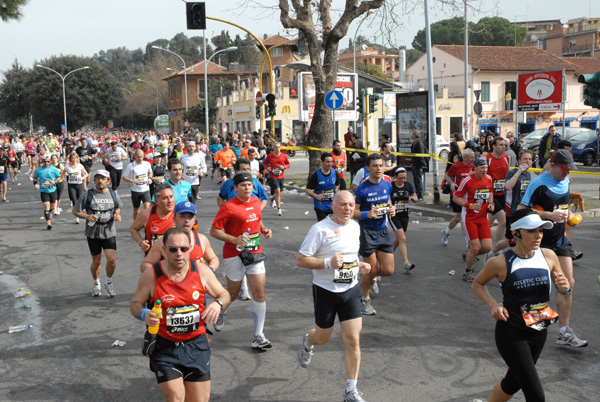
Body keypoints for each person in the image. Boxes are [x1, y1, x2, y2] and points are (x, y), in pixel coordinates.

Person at [472, 208, 570, 402]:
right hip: (512, 333)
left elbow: (563, 288)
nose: (538, 235)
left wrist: (565, 287)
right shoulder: (500, 262)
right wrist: (493, 305)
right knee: (536, 395)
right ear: (516, 233)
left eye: (541, 231)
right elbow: (477, 284)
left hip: (539, 331)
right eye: (531, 231)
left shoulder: (549, 256)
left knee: (513, 382)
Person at [130, 227, 230, 402]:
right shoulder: (152, 274)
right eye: (173, 249)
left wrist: (218, 304)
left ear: (190, 248)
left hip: (196, 345)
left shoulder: (201, 271)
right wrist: (144, 312)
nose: (179, 254)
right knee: (176, 398)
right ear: (164, 250)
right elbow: (135, 304)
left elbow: (224, 294)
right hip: (165, 346)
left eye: (184, 249)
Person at [296, 191, 371, 402]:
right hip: (326, 291)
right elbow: (301, 260)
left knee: (353, 339)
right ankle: (308, 343)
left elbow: (349, 256)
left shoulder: (355, 226)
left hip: (351, 289)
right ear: (333, 207)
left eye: (351, 205)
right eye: (342, 205)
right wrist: (327, 263)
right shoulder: (319, 230)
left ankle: (350, 390)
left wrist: (359, 265)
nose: (347, 209)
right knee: (323, 337)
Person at [518, 149, 588, 348]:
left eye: (569, 170)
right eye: (564, 170)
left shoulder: (566, 180)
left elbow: (562, 205)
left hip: (559, 241)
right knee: (537, 288)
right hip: (538, 242)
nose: (567, 174)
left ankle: (564, 332)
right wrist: (548, 215)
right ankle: (519, 321)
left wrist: (568, 217)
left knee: (567, 283)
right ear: (554, 165)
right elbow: (521, 211)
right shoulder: (537, 183)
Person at [209, 172, 274, 350]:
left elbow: (256, 220)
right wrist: (234, 240)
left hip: (255, 253)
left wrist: (264, 229)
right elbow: (214, 231)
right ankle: (222, 310)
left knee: (259, 293)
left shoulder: (255, 202)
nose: (247, 188)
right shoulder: (228, 207)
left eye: (250, 185)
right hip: (233, 254)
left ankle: (258, 335)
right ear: (235, 188)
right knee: (233, 294)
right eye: (243, 185)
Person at [353, 153, 396, 315]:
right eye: (375, 166)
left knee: (388, 270)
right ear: (368, 168)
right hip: (367, 232)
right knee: (371, 270)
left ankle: (365, 279)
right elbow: (352, 213)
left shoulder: (387, 184)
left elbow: (388, 201)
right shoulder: (362, 188)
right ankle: (365, 300)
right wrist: (366, 214)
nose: (378, 169)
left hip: (383, 230)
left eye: (381, 165)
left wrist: (391, 208)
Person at [72, 169, 123, 297]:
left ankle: (108, 282)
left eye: (103, 178)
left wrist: (117, 214)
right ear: (94, 180)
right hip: (93, 232)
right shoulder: (87, 194)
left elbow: (118, 206)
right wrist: (87, 216)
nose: (100, 181)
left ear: (108, 181)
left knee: (111, 260)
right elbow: (75, 211)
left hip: (109, 230)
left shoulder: (113, 194)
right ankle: (96, 283)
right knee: (97, 261)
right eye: (98, 178)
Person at [140, 201, 219, 274]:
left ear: (194, 220)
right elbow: (145, 265)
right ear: (174, 219)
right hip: (172, 286)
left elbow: (213, 259)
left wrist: (210, 270)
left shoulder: (202, 239)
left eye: (190, 217)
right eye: (182, 216)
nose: (186, 220)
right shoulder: (163, 241)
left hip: (195, 287)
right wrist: (162, 274)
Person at [453, 155, 494, 282]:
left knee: (487, 247)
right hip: (469, 218)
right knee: (475, 247)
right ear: (475, 167)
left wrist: (491, 203)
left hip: (483, 218)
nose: (485, 170)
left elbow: (490, 191)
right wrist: (470, 205)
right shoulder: (467, 180)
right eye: (482, 168)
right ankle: (468, 272)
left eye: (486, 167)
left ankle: (468, 255)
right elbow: (456, 197)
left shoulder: (488, 179)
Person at [487, 150, 534, 258]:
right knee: (509, 240)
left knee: (522, 237)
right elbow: (508, 186)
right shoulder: (512, 173)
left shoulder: (528, 175)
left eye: (530, 159)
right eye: (525, 159)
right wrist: (518, 172)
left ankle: (521, 258)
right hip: (511, 211)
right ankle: (491, 253)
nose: (527, 161)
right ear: (519, 161)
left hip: (523, 211)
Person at [130, 183, 176, 255]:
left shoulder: (180, 213)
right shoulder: (146, 215)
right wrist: (141, 242)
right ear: (157, 201)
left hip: (175, 261)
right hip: (154, 261)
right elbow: (133, 229)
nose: (170, 201)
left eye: (171, 196)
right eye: (165, 198)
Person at [441, 148, 474, 247]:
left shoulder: (474, 167)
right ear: (465, 158)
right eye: (471, 157)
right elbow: (446, 175)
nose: (473, 159)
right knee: (460, 217)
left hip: (469, 196)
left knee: (459, 218)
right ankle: (468, 242)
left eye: (474, 157)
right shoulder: (456, 166)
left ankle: (446, 232)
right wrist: (452, 183)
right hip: (458, 195)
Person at [389, 167, 418, 271]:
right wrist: (390, 206)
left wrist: (414, 198)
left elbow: (415, 197)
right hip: (394, 215)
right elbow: (387, 200)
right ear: (395, 177)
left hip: (404, 215)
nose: (403, 180)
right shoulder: (390, 187)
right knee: (402, 239)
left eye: (404, 178)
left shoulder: (408, 185)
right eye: (400, 178)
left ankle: (386, 255)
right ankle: (406, 263)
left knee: (399, 239)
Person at [486, 137, 510, 251]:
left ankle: (480, 241)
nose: (503, 147)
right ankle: (497, 248)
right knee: (503, 221)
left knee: (489, 222)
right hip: (491, 195)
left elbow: (509, 174)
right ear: (494, 146)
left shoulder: (506, 158)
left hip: (502, 194)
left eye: (504, 145)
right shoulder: (487, 159)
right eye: (500, 145)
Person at [305, 152, 340, 221]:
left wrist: (336, 189)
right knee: (323, 227)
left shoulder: (335, 173)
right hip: (320, 206)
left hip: (332, 206)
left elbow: (338, 184)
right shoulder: (316, 175)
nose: (329, 164)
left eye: (331, 162)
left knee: (332, 226)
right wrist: (316, 196)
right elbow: (307, 189)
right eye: (327, 162)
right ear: (322, 162)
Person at [32, 154, 61, 230]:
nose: (46, 163)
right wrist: (35, 184)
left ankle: (50, 213)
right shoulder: (38, 170)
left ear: (50, 161)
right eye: (45, 161)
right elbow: (35, 178)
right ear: (42, 161)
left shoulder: (54, 169)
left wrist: (55, 181)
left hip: (53, 190)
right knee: (46, 207)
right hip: (44, 190)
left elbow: (59, 177)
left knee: (52, 207)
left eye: (48, 161)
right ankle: (48, 222)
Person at [123, 149, 153, 220]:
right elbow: (124, 177)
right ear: (135, 156)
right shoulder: (131, 165)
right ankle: (136, 225)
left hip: (145, 190)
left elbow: (150, 172)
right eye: (138, 157)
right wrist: (132, 180)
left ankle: (147, 226)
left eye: (142, 157)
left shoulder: (147, 164)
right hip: (135, 191)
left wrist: (150, 178)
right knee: (136, 210)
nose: (140, 159)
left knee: (147, 209)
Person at [263, 142, 290, 216]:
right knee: (278, 191)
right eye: (276, 147)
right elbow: (265, 163)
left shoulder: (284, 156)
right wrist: (267, 168)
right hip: (273, 176)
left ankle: (273, 198)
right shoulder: (270, 156)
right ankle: (279, 209)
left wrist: (284, 167)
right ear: (273, 148)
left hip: (281, 176)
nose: (278, 149)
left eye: (279, 147)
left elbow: (288, 164)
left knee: (280, 194)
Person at [63, 153, 89, 224]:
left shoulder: (80, 166)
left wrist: (82, 178)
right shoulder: (67, 166)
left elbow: (86, 174)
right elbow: (64, 173)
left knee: (79, 199)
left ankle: (79, 212)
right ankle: (77, 217)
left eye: (75, 158)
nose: (74, 160)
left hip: (79, 184)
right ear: (70, 159)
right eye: (73, 158)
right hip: (71, 185)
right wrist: (67, 175)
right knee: (74, 200)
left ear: (77, 159)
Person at [410, 130, 426, 201]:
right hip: (414, 164)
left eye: (412, 134)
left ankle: (420, 196)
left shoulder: (419, 143)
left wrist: (419, 164)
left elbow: (421, 155)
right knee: (416, 180)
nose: (411, 135)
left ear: (415, 135)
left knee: (419, 180)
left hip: (417, 165)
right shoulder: (415, 142)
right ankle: (417, 194)